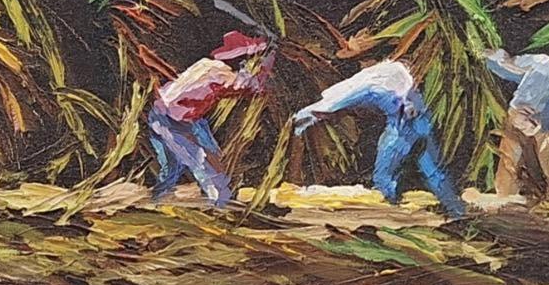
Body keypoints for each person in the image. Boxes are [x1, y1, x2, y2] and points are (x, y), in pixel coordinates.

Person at [293, 59, 466, 217]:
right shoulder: (397, 75)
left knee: (383, 176)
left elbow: (345, 99)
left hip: (402, 128)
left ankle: (393, 215)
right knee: (433, 171)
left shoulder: (372, 86)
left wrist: (314, 113)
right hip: (421, 124)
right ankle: (457, 211)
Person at [147, 30, 276, 207]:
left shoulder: (207, 65)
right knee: (204, 162)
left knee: (176, 166)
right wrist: (268, 64)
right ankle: (221, 204)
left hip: (174, 117)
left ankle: (158, 200)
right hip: (172, 121)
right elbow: (250, 87)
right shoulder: (219, 74)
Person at [484, 38, 549, 198]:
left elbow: (509, 65)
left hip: (516, 114)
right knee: (546, 157)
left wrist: (490, 55)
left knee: (510, 154)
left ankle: (504, 193)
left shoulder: (539, 60)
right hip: (537, 124)